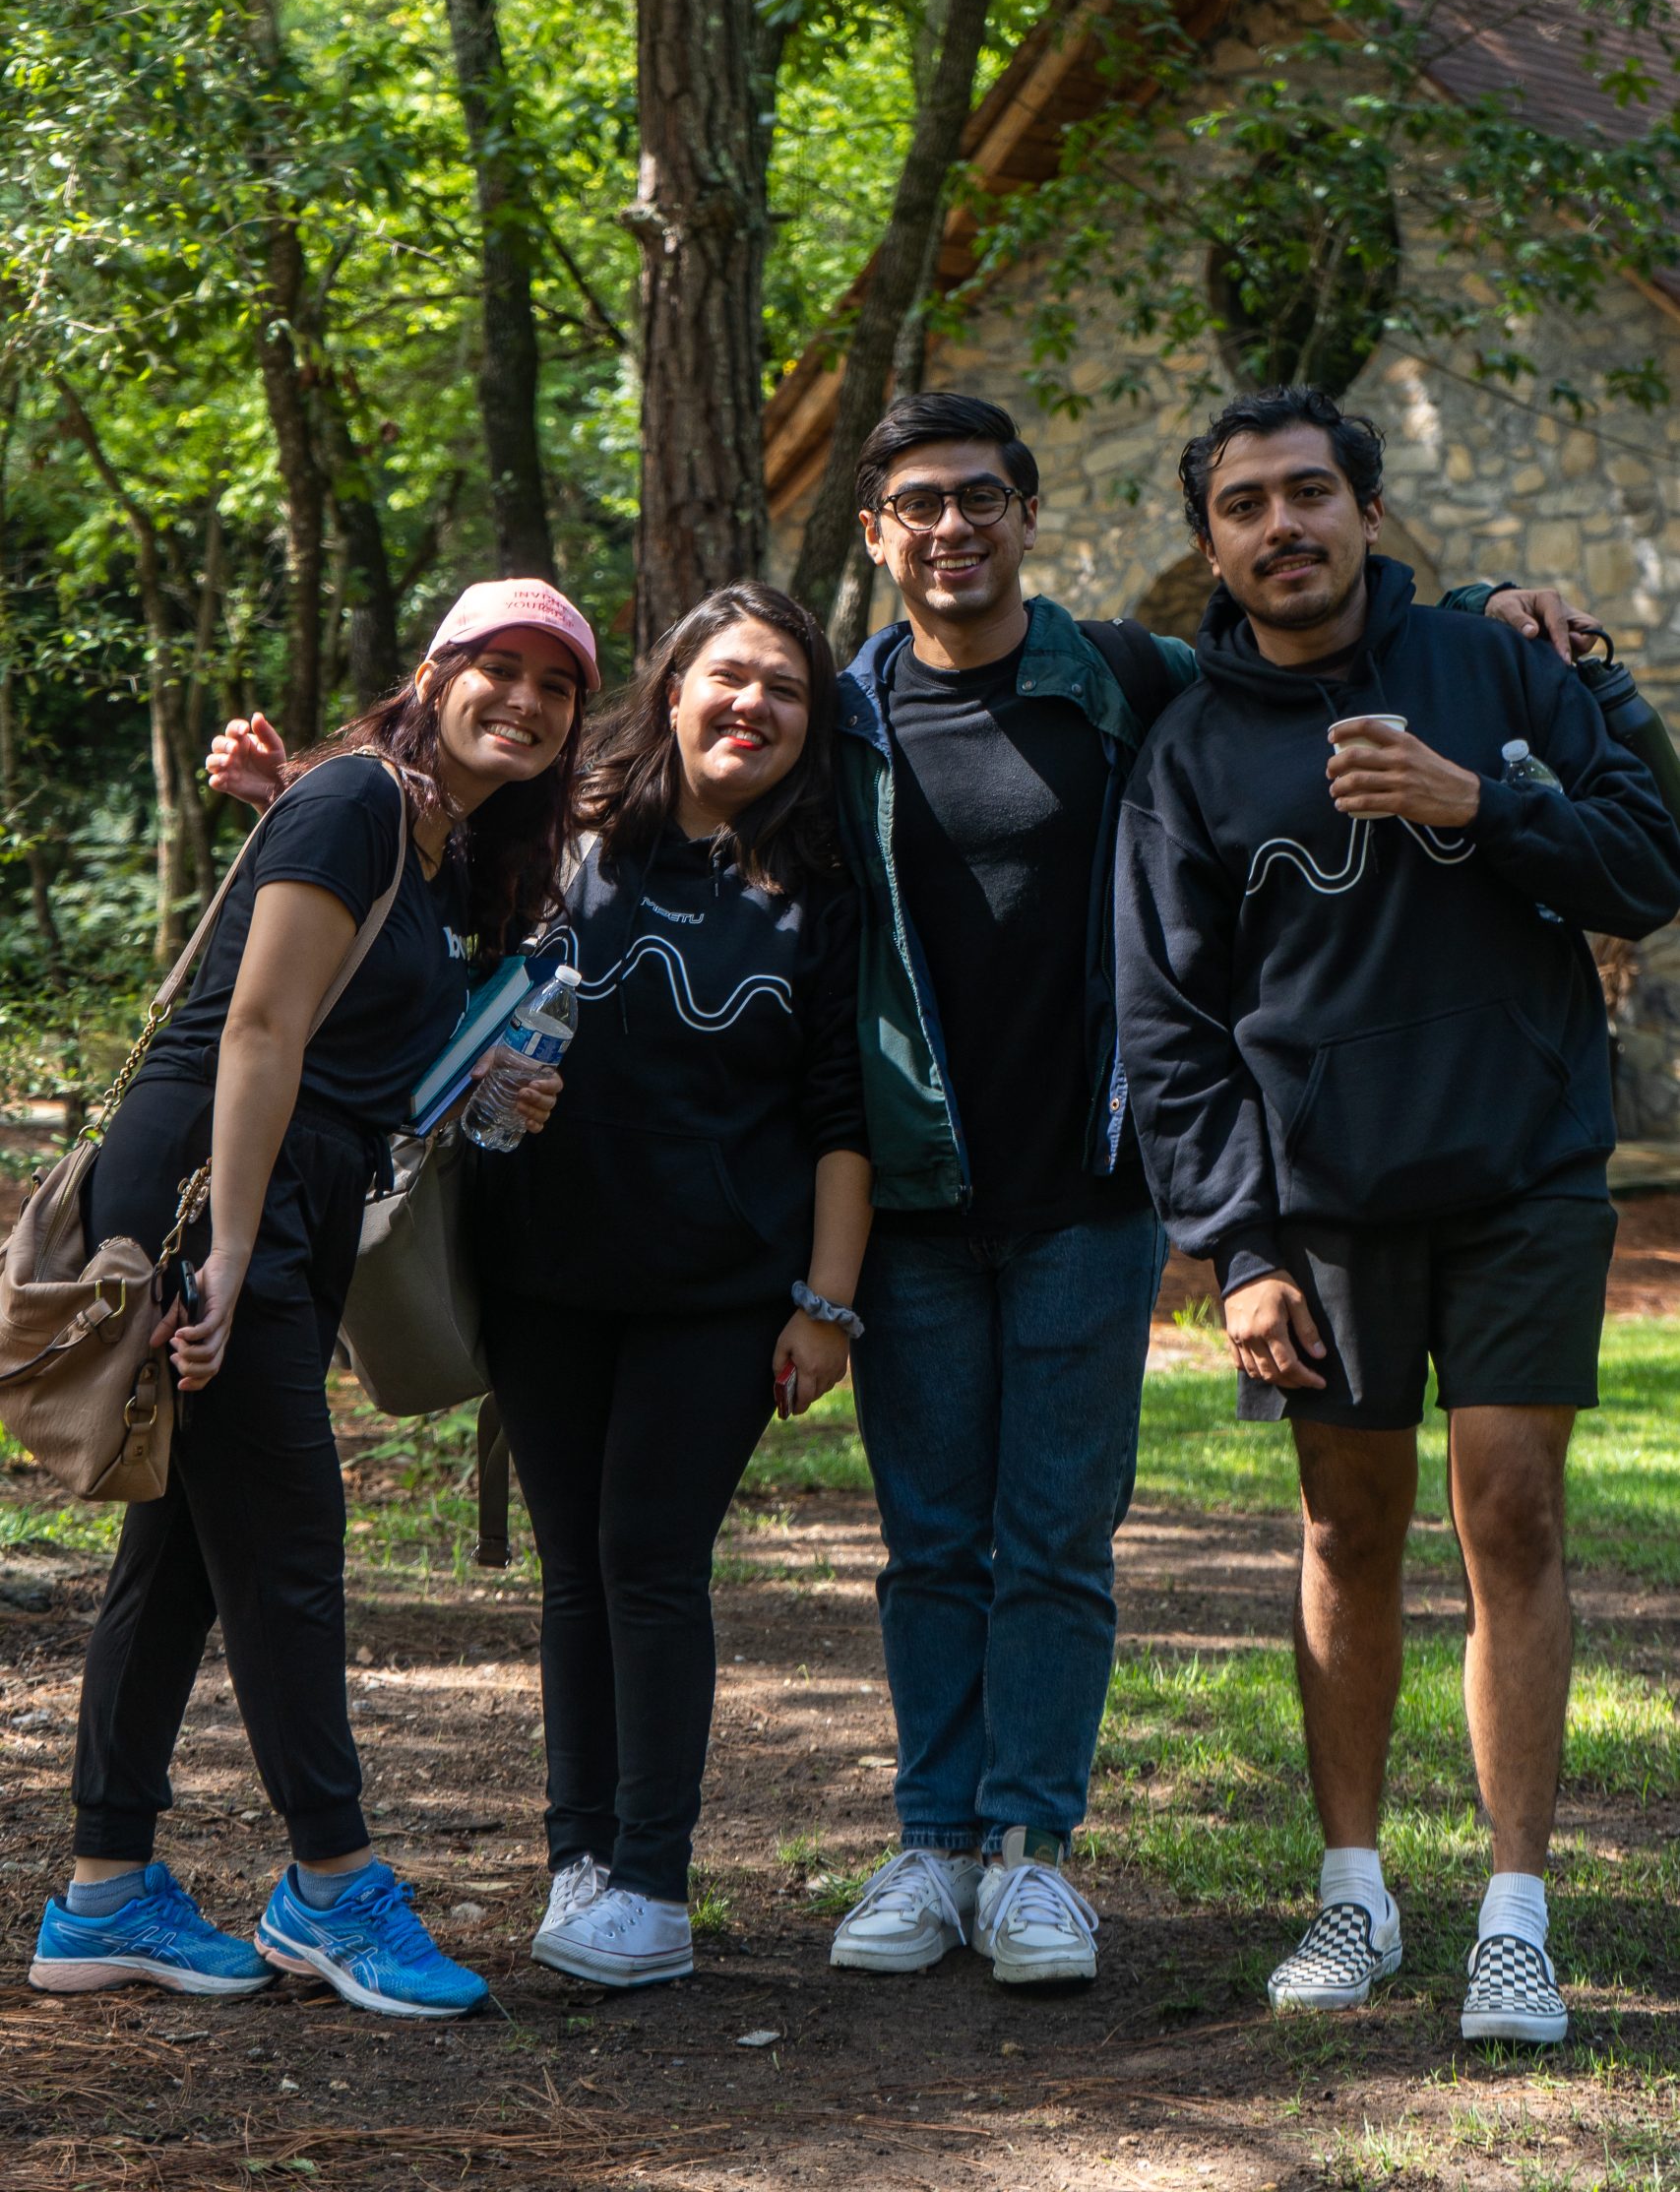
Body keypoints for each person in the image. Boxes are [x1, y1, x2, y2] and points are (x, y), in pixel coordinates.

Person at [823, 388, 1596, 1990]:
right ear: (879, 534)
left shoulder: (1127, 678)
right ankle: (943, 1843)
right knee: (938, 1540)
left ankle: (1040, 1853)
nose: (954, 528)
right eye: (921, 504)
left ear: (1030, 514)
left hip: (1110, 1191)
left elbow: (1332, 639)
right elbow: (681, 792)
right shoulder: (850, 723)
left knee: (1067, 1535)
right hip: (933, 1191)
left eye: (982, 497)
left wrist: (1487, 638)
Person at [1113, 386, 1680, 2044]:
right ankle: (1351, 1895)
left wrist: (1477, 803)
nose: (1281, 526)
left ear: (1368, 513)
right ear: (1209, 543)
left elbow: (1648, 869)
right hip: (1323, 1213)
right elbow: (1167, 1028)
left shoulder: (1500, 670)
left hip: (1523, 1172)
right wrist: (1239, 1246)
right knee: (1345, 1536)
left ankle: (1515, 1916)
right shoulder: (1188, 753)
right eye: (1244, 505)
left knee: (1513, 1515)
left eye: (1310, 493)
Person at [209, 582, 872, 1993]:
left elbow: (839, 1114)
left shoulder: (818, 886)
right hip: (541, 1275)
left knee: (651, 1562)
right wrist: (283, 801)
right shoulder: (557, 838)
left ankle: (654, 1885)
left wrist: (827, 1304)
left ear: (810, 723)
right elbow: (399, 906)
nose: (752, 705)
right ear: (672, 689)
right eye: (729, 676)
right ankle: (582, 1857)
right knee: (574, 1572)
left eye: (786, 689)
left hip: (718, 1292)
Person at [30, 578, 595, 2020]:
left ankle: (103, 1892)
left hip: (290, 1190)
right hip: (218, 1183)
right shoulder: (355, 803)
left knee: (186, 1545)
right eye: (497, 666)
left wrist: (489, 1078)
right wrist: (223, 1250)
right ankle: (332, 1885)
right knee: (288, 1536)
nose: (525, 699)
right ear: (434, 673)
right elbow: (262, 1026)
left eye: (557, 685)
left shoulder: (439, 850)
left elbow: (359, 1046)